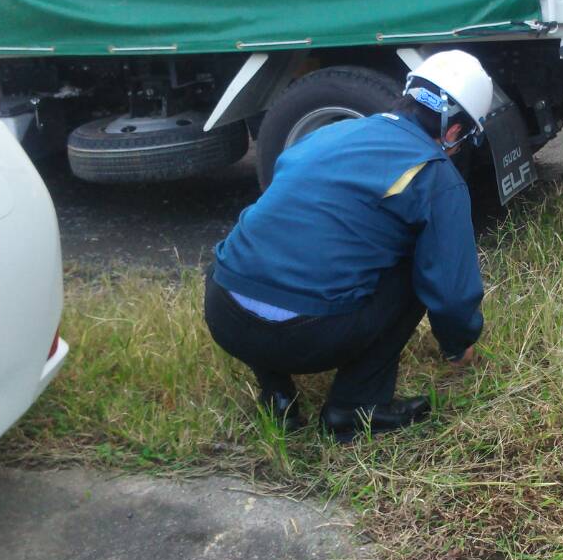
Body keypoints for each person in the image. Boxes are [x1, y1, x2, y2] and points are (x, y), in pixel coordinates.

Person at [204, 50, 491, 441]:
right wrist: (459, 345)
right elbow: (451, 291)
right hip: (307, 335)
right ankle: (355, 408)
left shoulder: (330, 132)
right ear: (455, 132)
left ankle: (277, 396)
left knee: (261, 254)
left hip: (224, 310)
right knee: (417, 265)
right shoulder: (435, 174)